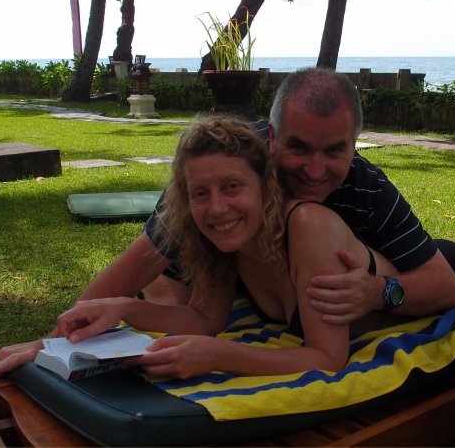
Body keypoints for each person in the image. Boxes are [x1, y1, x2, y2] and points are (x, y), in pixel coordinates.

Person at [0, 67, 455, 379]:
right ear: (270, 140)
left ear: (354, 146)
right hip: (358, 274)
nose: (317, 169)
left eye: (335, 151)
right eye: (299, 148)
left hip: (420, 276)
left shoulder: (348, 198)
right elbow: (130, 274)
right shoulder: (224, 180)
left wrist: (379, 292)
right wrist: (53, 345)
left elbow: (436, 285)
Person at [54, 117, 403, 376]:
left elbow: (327, 359)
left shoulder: (309, 227)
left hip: (427, 303)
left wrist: (219, 355)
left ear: (265, 187)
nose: (217, 208)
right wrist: (122, 307)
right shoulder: (224, 242)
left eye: (232, 186)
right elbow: (205, 319)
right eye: (200, 193)